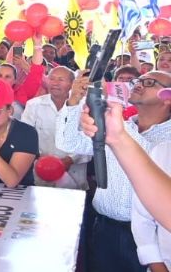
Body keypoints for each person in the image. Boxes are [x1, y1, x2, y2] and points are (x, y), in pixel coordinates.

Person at [57, 70, 171, 272]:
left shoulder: (164, 139)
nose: (139, 84)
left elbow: (149, 155)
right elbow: (68, 142)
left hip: (152, 241)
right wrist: (74, 100)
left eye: (150, 82)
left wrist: (118, 137)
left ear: (168, 98)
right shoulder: (120, 127)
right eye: (139, 80)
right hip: (103, 228)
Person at [21, 67, 90, 189]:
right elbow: (25, 137)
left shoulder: (85, 106)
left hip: (74, 175)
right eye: (51, 78)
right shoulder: (33, 105)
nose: (55, 83)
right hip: (41, 172)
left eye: (61, 79)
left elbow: (89, 139)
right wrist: (41, 159)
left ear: (72, 84)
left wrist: (69, 160)